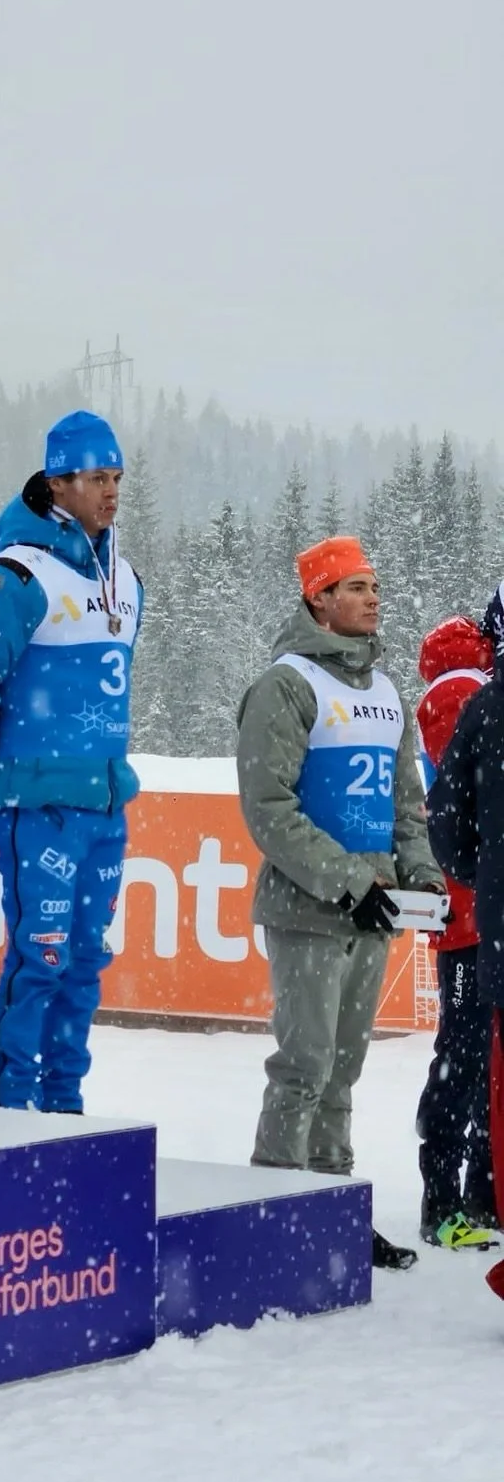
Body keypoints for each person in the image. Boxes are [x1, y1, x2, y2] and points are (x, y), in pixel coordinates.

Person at [237, 535, 443, 1272]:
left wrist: (419, 878)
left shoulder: (387, 692)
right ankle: (276, 1219)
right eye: (355, 586)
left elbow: (405, 805)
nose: (372, 598)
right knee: (303, 1067)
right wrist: (349, 882)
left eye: (374, 586)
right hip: (310, 910)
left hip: (374, 911)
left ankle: (330, 1212)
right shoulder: (285, 684)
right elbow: (268, 807)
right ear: (319, 599)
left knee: (344, 1070)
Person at [0, 411, 138, 1114]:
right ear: (57, 483)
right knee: (41, 957)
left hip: (105, 804)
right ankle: (15, 1107)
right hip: (38, 806)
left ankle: (65, 1102)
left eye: (117, 477)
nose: (110, 491)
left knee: (84, 963)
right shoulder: (12, 575)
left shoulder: (125, 578)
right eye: (95, 478)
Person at [413, 616, 496, 1249]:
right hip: (468, 916)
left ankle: (478, 1190)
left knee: (475, 1059)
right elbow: (464, 796)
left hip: (473, 913)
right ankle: (446, 1197)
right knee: (464, 1055)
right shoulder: (459, 695)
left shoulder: (455, 693)